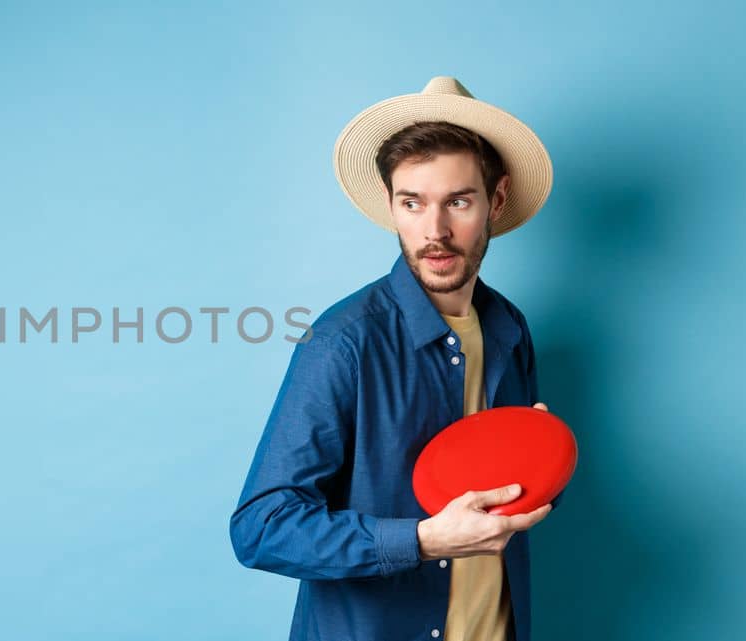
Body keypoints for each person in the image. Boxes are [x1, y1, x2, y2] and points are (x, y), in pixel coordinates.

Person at [229, 76, 568, 641]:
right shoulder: (343, 341)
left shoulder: (509, 328)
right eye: (413, 204)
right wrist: (424, 540)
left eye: (458, 202)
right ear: (392, 206)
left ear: (496, 200)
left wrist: (542, 461)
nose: (434, 232)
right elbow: (262, 528)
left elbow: (508, 497)